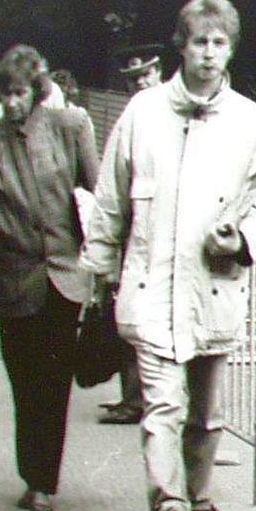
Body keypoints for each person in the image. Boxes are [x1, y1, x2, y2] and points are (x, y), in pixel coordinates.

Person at [82, 0, 256, 511]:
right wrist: (99, 272)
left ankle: (197, 503)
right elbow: (109, 201)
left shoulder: (249, 122)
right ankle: (169, 506)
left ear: (231, 50)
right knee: (161, 409)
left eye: (219, 43)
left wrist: (244, 239)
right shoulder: (143, 115)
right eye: (199, 41)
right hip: (151, 289)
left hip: (214, 290)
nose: (207, 53)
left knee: (204, 415)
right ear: (182, 45)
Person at [0, 45, 98, 511]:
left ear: (35, 94)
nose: (13, 103)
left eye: (20, 94)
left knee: (53, 382)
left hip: (62, 277)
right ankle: (32, 473)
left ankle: (43, 484)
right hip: (14, 280)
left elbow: (99, 196)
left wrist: (106, 259)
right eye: (5, 94)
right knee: (23, 380)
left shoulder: (69, 128)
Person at [97, 46, 165, 427]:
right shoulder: (132, 116)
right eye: (134, 79)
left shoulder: (168, 115)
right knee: (128, 313)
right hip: (133, 231)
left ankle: (142, 399)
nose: (141, 82)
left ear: (159, 74)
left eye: (147, 75)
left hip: (158, 231)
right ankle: (133, 396)